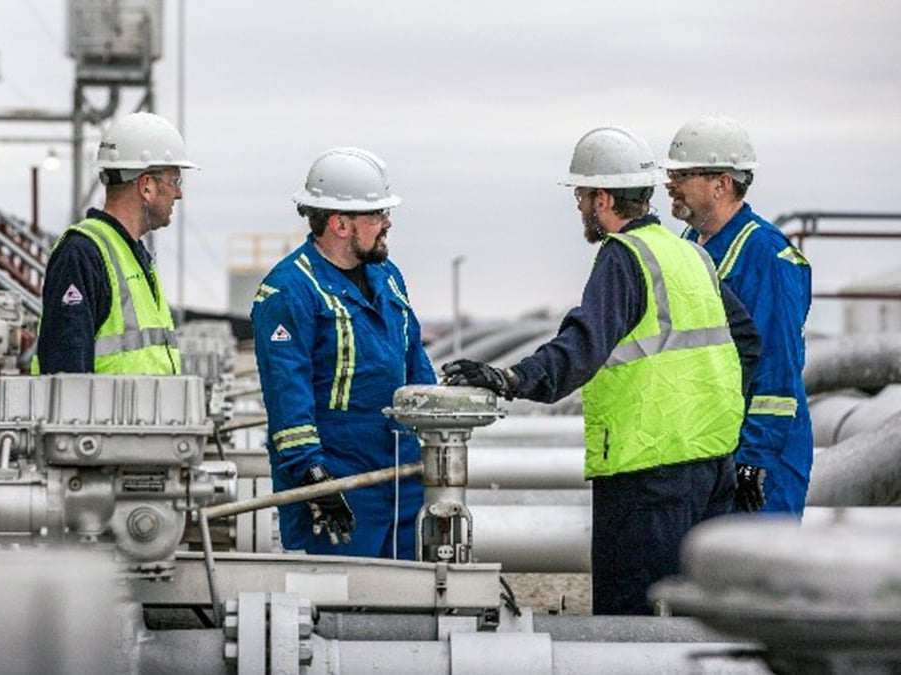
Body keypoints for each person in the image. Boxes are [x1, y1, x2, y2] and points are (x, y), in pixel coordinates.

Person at [443, 127, 761, 615]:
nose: (579, 208)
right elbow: (747, 344)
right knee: (696, 620)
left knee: (630, 623)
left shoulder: (623, 257)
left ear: (604, 199)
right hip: (710, 465)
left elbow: (581, 348)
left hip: (646, 472)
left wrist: (510, 380)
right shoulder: (690, 253)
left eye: (582, 197)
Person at [250, 147, 436, 559]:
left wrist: (441, 419)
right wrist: (314, 477)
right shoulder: (289, 291)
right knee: (347, 614)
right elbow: (287, 397)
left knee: (412, 604)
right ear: (339, 223)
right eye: (376, 215)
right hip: (340, 489)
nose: (387, 223)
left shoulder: (387, 278)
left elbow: (415, 365)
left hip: (403, 478)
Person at [665, 115, 812, 515]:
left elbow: (777, 368)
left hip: (759, 461)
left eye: (683, 174)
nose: (670, 185)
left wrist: (755, 458)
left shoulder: (767, 256)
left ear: (722, 183)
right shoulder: (689, 245)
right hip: (709, 450)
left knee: (755, 571)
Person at [33, 112, 196, 375]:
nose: (179, 193)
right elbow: (65, 381)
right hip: (107, 418)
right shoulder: (82, 255)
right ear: (146, 187)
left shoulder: (132, 254)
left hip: (144, 417)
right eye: (174, 181)